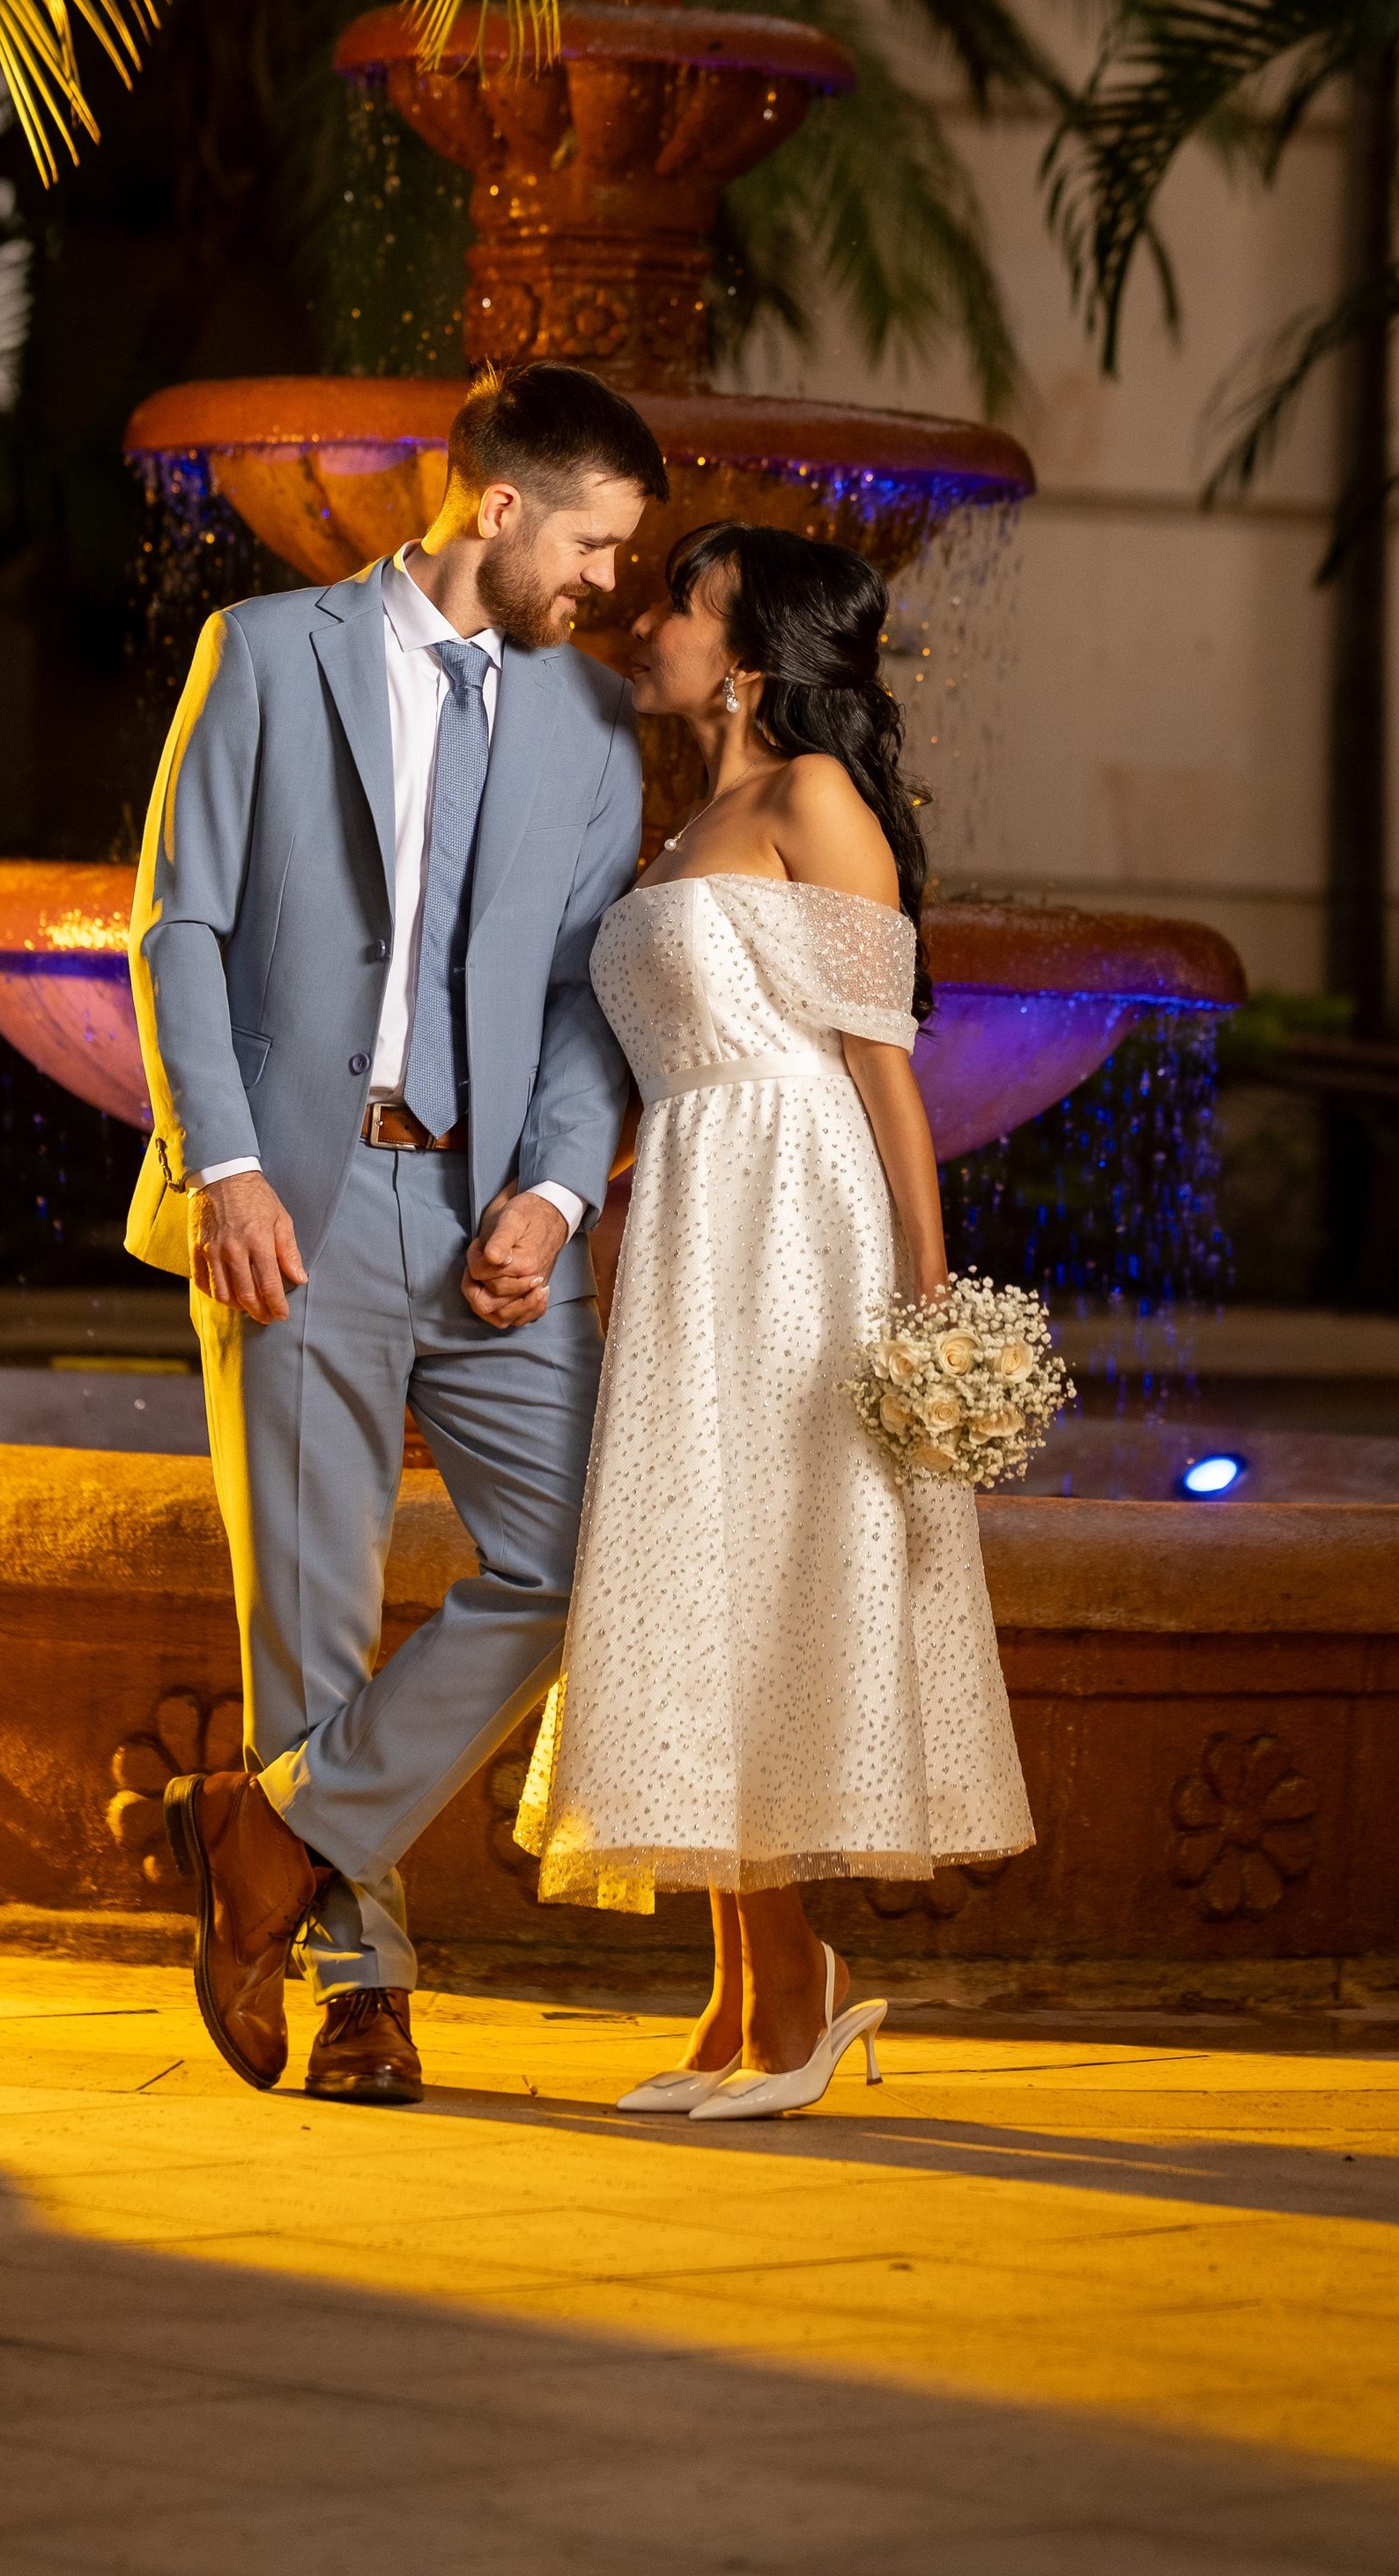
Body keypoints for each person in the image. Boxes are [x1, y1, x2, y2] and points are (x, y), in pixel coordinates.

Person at [124, 362, 663, 2106]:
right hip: (294, 1193)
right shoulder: (265, 652)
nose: (607, 583)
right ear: (496, 508)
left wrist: (558, 1190)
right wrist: (224, 1167)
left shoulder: (591, 728)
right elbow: (179, 923)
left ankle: (268, 1840)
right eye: (591, 543)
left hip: (492, 1213)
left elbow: (593, 996)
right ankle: (364, 1986)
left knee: (583, 1556)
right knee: (310, 1613)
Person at [516, 520, 1033, 2116]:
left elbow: (885, 1061)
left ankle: (790, 1996)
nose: (648, 619)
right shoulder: (686, 827)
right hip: (688, 1194)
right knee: (705, 1576)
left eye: (679, 600)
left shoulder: (813, 797)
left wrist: (925, 1292)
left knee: (772, 1571)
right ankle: (752, 2001)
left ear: (744, 654)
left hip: (796, 1211)